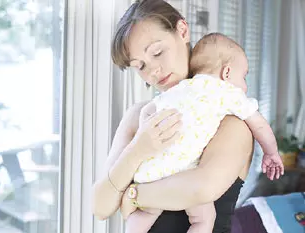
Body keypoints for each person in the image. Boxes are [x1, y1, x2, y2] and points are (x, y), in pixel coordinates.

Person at [92, 0, 278, 232]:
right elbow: (100, 206)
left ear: (182, 31)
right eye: (140, 66)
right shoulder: (138, 116)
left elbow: (203, 187)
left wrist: (133, 194)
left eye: (157, 53)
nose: (153, 71)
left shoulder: (230, 119)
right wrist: (138, 149)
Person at [124, 32, 284, 233]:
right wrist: (271, 152)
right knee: (204, 219)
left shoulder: (178, 88)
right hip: (181, 173)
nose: (244, 86)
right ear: (226, 73)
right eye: (244, 76)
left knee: (146, 213)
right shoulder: (229, 93)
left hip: (150, 168)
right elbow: (259, 125)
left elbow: (148, 111)